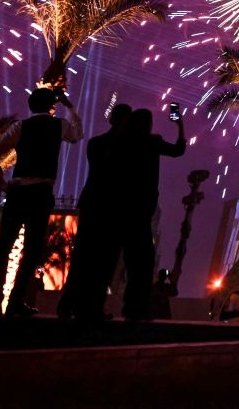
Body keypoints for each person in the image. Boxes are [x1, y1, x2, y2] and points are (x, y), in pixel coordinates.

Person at [0, 88, 82, 316]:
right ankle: (15, 302)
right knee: (31, 249)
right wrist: (69, 106)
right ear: (53, 106)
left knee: (4, 247)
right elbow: (77, 134)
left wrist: (1, 184)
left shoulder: (20, 126)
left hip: (17, 191)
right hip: (41, 192)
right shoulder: (58, 125)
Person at [60, 103, 133, 321]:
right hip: (112, 207)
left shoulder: (95, 143)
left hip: (91, 202)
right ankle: (91, 307)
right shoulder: (128, 148)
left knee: (82, 256)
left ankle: (68, 304)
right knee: (105, 259)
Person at [116, 107, 186, 321]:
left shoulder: (121, 142)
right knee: (143, 262)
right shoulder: (151, 141)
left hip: (121, 206)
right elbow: (177, 150)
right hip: (141, 209)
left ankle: (128, 305)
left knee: (123, 259)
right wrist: (180, 125)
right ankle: (136, 307)